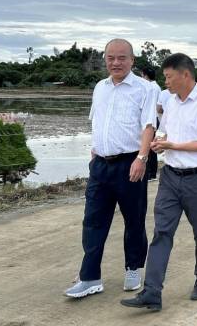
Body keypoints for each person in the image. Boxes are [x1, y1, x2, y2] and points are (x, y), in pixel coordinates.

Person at [120, 53, 197, 311]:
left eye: (168, 77)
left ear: (185, 75)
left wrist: (174, 145)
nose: (165, 82)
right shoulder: (171, 102)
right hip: (170, 177)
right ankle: (152, 292)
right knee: (162, 233)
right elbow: (163, 131)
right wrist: (158, 143)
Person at [66, 39, 156, 299]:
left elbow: (148, 125)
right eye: (110, 58)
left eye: (121, 58)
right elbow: (98, 121)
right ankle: (90, 277)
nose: (115, 63)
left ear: (132, 60)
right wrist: (94, 153)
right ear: (105, 59)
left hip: (131, 163)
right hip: (100, 165)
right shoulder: (100, 87)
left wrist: (142, 157)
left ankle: (133, 267)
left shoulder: (145, 89)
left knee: (134, 219)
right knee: (93, 221)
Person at [142, 67, 162, 181]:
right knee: (150, 147)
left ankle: (151, 173)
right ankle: (151, 172)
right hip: (154, 119)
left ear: (145, 76)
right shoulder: (156, 87)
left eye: (142, 76)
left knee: (150, 147)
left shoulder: (151, 87)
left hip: (152, 120)